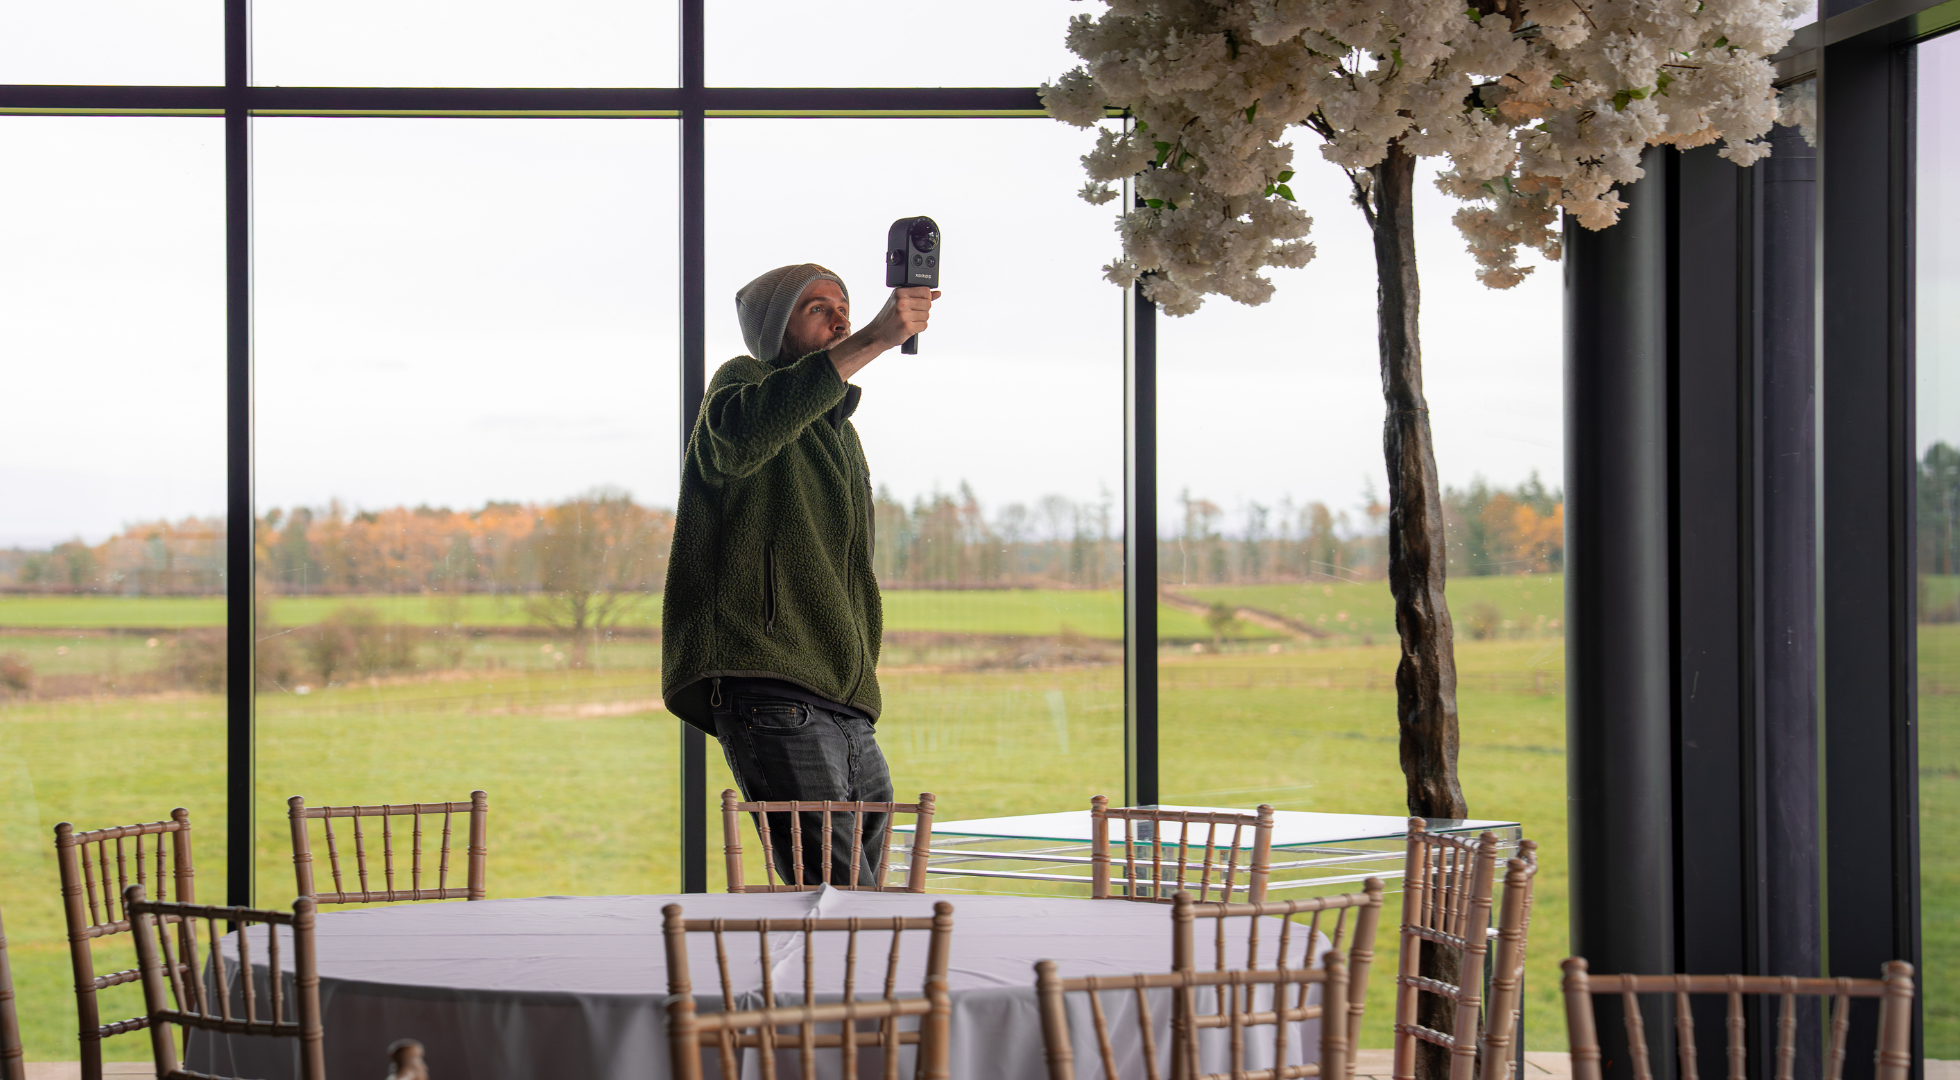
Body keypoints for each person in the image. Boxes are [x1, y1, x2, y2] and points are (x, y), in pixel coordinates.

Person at [662, 263, 938, 887]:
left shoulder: (841, 433)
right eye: (817, 308)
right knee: (834, 892)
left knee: (860, 893)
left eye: (844, 306)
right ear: (773, 328)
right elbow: (741, 438)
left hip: (842, 692)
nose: (840, 318)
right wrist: (874, 338)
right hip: (770, 678)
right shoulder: (741, 385)